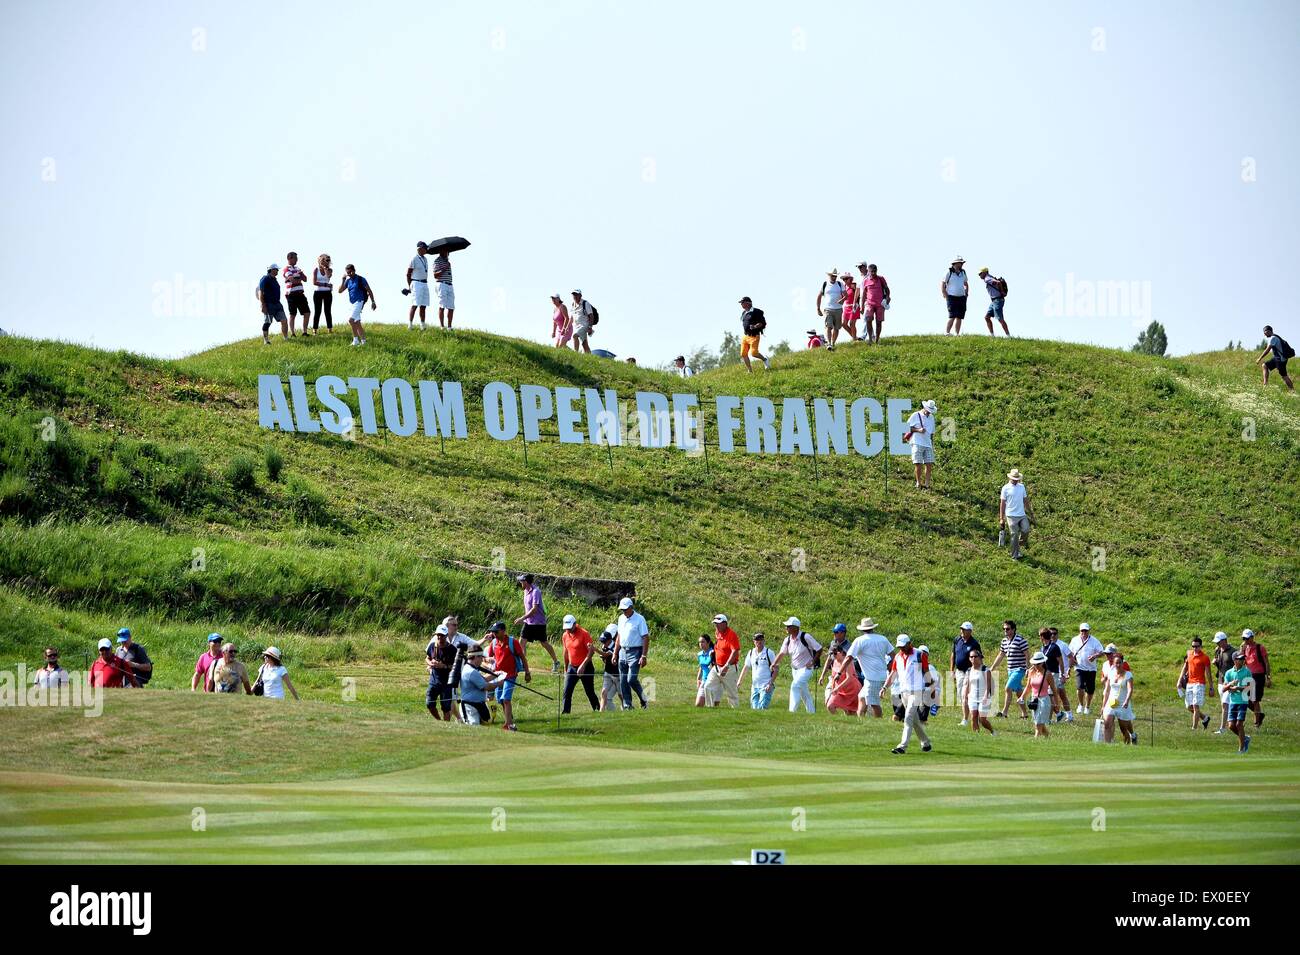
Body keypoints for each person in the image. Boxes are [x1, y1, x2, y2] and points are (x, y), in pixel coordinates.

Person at [883, 635, 932, 754]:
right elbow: (893, 674)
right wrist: (884, 687)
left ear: (909, 643)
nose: (902, 649)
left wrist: (931, 687)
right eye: (899, 646)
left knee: (908, 717)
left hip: (917, 692)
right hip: (903, 692)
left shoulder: (920, 654)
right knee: (914, 720)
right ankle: (926, 742)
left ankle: (902, 746)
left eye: (903, 646)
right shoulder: (898, 657)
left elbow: (926, 671)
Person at [772, 617, 822, 713]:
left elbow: (819, 649)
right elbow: (782, 653)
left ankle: (792, 712)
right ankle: (811, 712)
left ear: (795, 627)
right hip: (794, 670)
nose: (786, 628)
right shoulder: (787, 640)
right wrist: (774, 663)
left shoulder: (805, 637)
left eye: (788, 626)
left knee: (795, 686)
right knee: (804, 693)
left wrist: (813, 661)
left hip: (806, 669)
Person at [485, 621, 529, 731]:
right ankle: (509, 719)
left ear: (503, 631)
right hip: (498, 676)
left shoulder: (512, 642)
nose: (494, 634)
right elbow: (487, 658)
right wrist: (488, 660)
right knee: (500, 700)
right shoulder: (494, 643)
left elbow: (522, 657)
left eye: (496, 631)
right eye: (493, 632)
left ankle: (508, 724)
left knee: (506, 699)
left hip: (510, 675)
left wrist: (527, 673)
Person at [846, 618, 892, 717]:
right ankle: (860, 719)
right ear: (873, 628)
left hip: (873, 678)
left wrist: (840, 672)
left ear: (862, 629)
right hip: (876, 676)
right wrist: (892, 668)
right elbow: (893, 655)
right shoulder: (883, 639)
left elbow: (849, 657)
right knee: (862, 697)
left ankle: (879, 721)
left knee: (874, 703)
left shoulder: (860, 640)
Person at [513, 574, 560, 672]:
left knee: (544, 643)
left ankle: (556, 662)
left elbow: (534, 609)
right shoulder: (525, 591)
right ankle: (523, 665)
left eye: (521, 581)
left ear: (526, 582)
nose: (520, 582)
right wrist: (525, 619)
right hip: (528, 622)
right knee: (522, 642)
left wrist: (522, 618)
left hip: (538, 623)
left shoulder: (536, 592)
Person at [613, 597, 650, 710]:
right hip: (622, 651)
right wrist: (615, 653)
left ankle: (644, 699)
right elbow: (619, 637)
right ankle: (627, 705)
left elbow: (645, 637)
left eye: (625, 609)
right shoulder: (620, 619)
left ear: (631, 607)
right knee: (623, 680)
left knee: (631, 679)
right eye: (622, 609)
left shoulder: (639, 619)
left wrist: (643, 656)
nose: (623, 611)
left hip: (636, 651)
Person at [988, 620, 1029, 718]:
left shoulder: (1020, 640)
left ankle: (1004, 713)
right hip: (1010, 670)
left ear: (1013, 629)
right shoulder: (1004, 641)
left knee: (1008, 688)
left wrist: (1028, 668)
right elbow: (1001, 654)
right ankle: (1025, 714)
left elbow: (1027, 654)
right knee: (1019, 692)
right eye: (1004, 629)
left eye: (1007, 629)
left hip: (1019, 669)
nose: (1005, 630)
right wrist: (992, 668)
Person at [561, 614, 599, 714]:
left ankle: (598, 710)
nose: (568, 630)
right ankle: (565, 713)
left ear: (574, 624)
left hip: (586, 667)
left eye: (569, 628)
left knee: (589, 691)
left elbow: (591, 651)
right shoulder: (565, 635)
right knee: (567, 691)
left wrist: (583, 665)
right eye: (566, 628)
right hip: (572, 667)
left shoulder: (584, 633)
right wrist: (566, 668)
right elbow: (565, 653)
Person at [1099, 647, 1136, 744]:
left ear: (1123, 663)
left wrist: (1127, 701)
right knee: (1107, 723)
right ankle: (1107, 745)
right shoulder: (1111, 673)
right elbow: (1107, 690)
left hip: (1123, 704)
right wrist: (1103, 706)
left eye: (1120, 662)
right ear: (1114, 663)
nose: (1118, 665)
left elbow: (1130, 689)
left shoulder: (1128, 675)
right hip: (1111, 703)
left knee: (1124, 728)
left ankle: (1132, 738)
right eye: (1116, 663)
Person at [703, 613, 741, 707]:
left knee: (732, 694)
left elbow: (735, 651)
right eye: (715, 623)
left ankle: (736, 713)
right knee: (707, 687)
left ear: (725, 623)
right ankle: (710, 709)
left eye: (718, 623)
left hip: (730, 668)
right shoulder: (717, 633)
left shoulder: (731, 635)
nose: (716, 625)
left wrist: (726, 666)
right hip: (717, 667)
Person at [1220, 651, 1254, 754]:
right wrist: (1230, 684)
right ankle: (1245, 738)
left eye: (1243, 658)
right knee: (1231, 726)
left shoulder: (1247, 672)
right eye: (1240, 659)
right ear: (1235, 660)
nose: (1243, 660)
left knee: (1239, 724)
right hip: (1233, 702)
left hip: (1243, 701)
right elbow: (1224, 689)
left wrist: (1238, 688)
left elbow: (1250, 687)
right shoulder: (1229, 673)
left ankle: (1241, 749)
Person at [458, 648, 503, 725]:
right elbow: (486, 687)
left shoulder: (471, 669)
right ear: (476, 657)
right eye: (481, 657)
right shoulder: (471, 671)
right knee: (473, 729)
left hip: (478, 705)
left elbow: (483, 679)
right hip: (470, 707)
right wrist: (500, 683)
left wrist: (496, 674)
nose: (482, 660)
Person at [1177, 637, 1213, 730]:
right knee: (1189, 707)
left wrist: (1211, 687)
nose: (1194, 648)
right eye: (1193, 646)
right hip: (1190, 683)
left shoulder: (1205, 658)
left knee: (1195, 706)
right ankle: (1205, 718)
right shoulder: (1189, 654)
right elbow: (1184, 668)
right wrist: (1179, 681)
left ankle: (1194, 728)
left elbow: (1208, 674)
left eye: (1196, 646)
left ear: (1201, 646)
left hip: (1199, 683)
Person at [1020, 651, 1058, 738]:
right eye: (1034, 664)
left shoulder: (1048, 674)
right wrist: (1022, 697)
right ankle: (1047, 738)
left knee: (1038, 723)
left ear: (1043, 663)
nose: (1036, 666)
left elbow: (1054, 691)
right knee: (1039, 722)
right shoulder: (1031, 672)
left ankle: (1035, 741)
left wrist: (1056, 704)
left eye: (1038, 664)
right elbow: (1028, 687)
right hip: (1034, 700)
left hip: (1044, 700)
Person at [1069, 622, 1105, 714]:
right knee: (1079, 686)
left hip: (1091, 669)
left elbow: (1102, 652)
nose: (1084, 632)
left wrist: (1095, 656)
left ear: (1089, 631)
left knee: (1090, 689)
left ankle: (1087, 706)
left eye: (1086, 630)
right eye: (1082, 630)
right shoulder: (1074, 640)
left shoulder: (1094, 641)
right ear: (1079, 631)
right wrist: (1072, 660)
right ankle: (1080, 705)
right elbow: (1070, 652)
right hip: (1079, 667)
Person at [999, 468, 1034, 560]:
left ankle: (1017, 546)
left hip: (1021, 514)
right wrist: (1001, 518)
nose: (1015, 481)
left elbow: (1025, 500)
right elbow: (1002, 503)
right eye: (1014, 479)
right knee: (1014, 534)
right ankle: (1014, 555)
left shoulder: (1021, 487)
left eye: (1017, 479)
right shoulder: (1005, 488)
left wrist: (1030, 512)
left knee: (1026, 530)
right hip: (1011, 515)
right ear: (1010, 478)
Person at [950, 622, 981, 725]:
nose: (962, 631)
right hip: (959, 671)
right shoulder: (957, 639)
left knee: (965, 695)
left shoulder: (974, 643)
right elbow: (953, 655)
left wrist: (977, 672)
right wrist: (951, 670)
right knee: (961, 694)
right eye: (961, 629)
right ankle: (970, 717)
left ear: (970, 631)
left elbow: (979, 659)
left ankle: (965, 719)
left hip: (969, 671)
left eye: (964, 629)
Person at [425, 624, 458, 720]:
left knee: (446, 708)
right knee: (429, 704)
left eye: (442, 635)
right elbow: (427, 658)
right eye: (438, 635)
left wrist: (443, 666)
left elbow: (456, 667)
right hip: (434, 681)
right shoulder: (432, 646)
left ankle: (445, 726)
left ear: (446, 635)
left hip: (446, 683)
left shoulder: (452, 649)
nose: (439, 637)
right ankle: (439, 722)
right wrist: (430, 663)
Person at [1238, 629, 1270, 727]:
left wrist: (1268, 677)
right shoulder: (1244, 648)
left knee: (1255, 700)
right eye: (1244, 638)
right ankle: (1259, 715)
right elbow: (1240, 662)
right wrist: (1241, 650)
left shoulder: (1260, 648)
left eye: (1247, 638)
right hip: (1248, 676)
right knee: (1244, 697)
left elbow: (1266, 663)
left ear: (1252, 638)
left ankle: (1257, 721)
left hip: (1258, 676)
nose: (1245, 640)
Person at [338, 264, 375, 347]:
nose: (349, 274)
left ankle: (355, 340)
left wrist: (373, 302)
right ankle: (364, 342)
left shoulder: (361, 279)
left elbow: (369, 290)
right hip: (352, 304)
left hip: (359, 301)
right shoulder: (348, 281)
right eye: (348, 273)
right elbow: (340, 291)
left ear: (354, 270)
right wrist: (343, 280)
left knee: (351, 320)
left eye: (351, 272)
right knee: (357, 323)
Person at [739, 633, 777, 709]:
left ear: (764, 641)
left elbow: (776, 669)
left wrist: (770, 683)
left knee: (762, 708)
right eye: (757, 640)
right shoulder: (751, 653)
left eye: (761, 640)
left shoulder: (769, 653)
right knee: (754, 709)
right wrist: (739, 681)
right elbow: (746, 667)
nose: (759, 642)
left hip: (766, 685)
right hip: (755, 686)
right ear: (754, 641)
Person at [905, 399, 937, 490]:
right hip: (917, 442)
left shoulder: (931, 418)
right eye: (928, 411)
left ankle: (927, 484)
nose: (929, 413)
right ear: (924, 407)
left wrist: (932, 444)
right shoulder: (916, 415)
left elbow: (932, 433)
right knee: (918, 463)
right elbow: (906, 427)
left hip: (928, 443)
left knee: (929, 464)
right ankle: (918, 483)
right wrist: (918, 430)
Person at [1036, 628, 1067, 722]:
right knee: (1047, 696)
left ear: (1042, 636)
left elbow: (1060, 662)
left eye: (1039, 636)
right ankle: (1058, 714)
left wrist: (1062, 675)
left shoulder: (1054, 647)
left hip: (1054, 674)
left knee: (1050, 696)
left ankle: (1048, 719)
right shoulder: (1043, 647)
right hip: (1045, 674)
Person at [857, 262, 890, 344]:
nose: (873, 273)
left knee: (878, 322)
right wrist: (862, 306)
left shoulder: (881, 279)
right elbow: (864, 294)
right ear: (869, 271)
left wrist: (887, 297)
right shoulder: (865, 281)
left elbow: (887, 289)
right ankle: (870, 340)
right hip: (869, 304)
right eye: (871, 271)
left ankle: (877, 339)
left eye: (874, 271)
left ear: (877, 271)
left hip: (880, 304)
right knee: (868, 319)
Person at [825, 643, 862, 715]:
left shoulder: (847, 661)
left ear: (841, 652)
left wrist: (837, 688)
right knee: (830, 706)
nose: (833, 656)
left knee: (850, 713)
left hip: (852, 690)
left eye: (835, 653)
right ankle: (838, 720)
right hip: (840, 690)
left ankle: (845, 724)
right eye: (831, 654)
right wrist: (833, 688)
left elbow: (849, 678)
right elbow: (833, 677)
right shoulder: (834, 661)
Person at [965, 649, 996, 734]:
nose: (973, 658)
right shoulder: (968, 670)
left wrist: (986, 696)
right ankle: (976, 736)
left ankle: (992, 731)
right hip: (972, 697)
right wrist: (965, 695)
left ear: (979, 657)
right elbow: (968, 684)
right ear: (969, 659)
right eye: (971, 657)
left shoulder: (985, 670)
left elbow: (988, 685)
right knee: (973, 717)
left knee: (982, 719)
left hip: (983, 697)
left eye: (975, 656)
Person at [1256, 325, 1295, 392]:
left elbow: (1267, 350)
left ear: (1268, 331)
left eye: (1265, 333)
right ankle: (1265, 385)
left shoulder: (1273, 338)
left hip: (1280, 360)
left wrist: (1260, 358)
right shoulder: (1276, 336)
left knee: (1284, 376)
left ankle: (1292, 391)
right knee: (1264, 365)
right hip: (1278, 358)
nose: (1265, 335)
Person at [281, 252, 311, 336]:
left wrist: (298, 276)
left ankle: (304, 332)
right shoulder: (286, 269)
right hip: (291, 294)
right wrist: (297, 277)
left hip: (300, 293)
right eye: (295, 258)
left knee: (307, 312)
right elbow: (292, 280)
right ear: (289, 259)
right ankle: (293, 333)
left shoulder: (297, 268)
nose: (297, 260)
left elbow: (305, 279)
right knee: (293, 314)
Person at [1211, 631, 1235, 734]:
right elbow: (1220, 665)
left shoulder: (1233, 652)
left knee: (1225, 704)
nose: (1217, 644)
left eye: (1219, 642)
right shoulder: (1218, 650)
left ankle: (1223, 728)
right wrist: (1215, 662)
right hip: (1220, 681)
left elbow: (1238, 667)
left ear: (1224, 641)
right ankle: (1233, 724)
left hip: (1229, 683)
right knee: (1225, 705)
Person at [816, 268, 846, 350]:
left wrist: (842, 300)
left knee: (837, 328)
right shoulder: (825, 284)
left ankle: (833, 343)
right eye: (832, 276)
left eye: (835, 276)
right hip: (828, 309)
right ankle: (829, 343)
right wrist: (818, 308)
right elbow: (819, 296)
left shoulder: (840, 284)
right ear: (829, 275)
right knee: (828, 326)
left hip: (838, 309)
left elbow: (845, 295)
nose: (834, 277)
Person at [257, 264, 288, 344]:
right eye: (276, 269)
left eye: (277, 270)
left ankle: (286, 338)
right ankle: (266, 340)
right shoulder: (265, 278)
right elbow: (261, 291)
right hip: (268, 304)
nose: (277, 271)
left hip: (277, 304)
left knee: (284, 320)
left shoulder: (275, 280)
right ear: (271, 270)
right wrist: (262, 305)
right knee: (268, 322)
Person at [739, 296, 770, 372]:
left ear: (748, 303)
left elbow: (763, 323)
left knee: (754, 353)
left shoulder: (757, 311)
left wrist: (755, 326)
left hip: (754, 336)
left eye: (742, 303)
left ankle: (765, 359)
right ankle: (750, 371)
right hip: (745, 336)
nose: (741, 304)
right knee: (743, 353)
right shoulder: (744, 313)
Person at [977, 267, 1010, 336]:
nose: (979, 275)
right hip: (994, 301)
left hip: (997, 300)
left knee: (1000, 319)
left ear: (985, 272)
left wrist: (1001, 291)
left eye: (980, 273)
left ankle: (1008, 336)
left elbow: (998, 283)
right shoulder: (989, 277)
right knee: (987, 317)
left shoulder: (987, 279)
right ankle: (992, 335)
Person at [1050, 627, 1074, 722]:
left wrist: (1066, 672)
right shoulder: (1047, 645)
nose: (1052, 635)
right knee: (1054, 695)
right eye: (1050, 633)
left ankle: (1066, 715)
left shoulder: (1062, 645)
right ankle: (1061, 714)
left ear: (1057, 634)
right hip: (1049, 674)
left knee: (1058, 695)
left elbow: (1071, 658)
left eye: (1054, 633)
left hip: (1060, 674)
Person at [942, 256, 969, 334]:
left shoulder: (963, 272)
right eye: (960, 263)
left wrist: (966, 293)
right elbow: (943, 283)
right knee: (952, 316)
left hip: (961, 297)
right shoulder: (948, 272)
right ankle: (947, 332)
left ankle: (957, 334)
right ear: (955, 263)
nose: (962, 264)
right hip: (951, 297)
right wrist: (945, 294)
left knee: (960, 316)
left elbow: (966, 283)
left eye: (962, 263)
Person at [406, 241, 430, 329]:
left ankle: (422, 325)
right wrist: (410, 286)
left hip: (424, 283)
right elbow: (408, 274)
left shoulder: (425, 259)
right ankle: (410, 324)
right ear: (420, 249)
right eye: (425, 248)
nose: (426, 250)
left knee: (423, 305)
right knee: (415, 304)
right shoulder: (414, 259)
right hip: (416, 283)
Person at [596, 627, 620, 711]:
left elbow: (606, 654)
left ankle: (625, 708)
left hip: (617, 674)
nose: (603, 643)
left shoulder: (615, 646)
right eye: (601, 641)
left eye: (604, 641)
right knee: (603, 692)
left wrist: (594, 649)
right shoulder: (604, 646)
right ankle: (601, 711)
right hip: (608, 672)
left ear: (610, 640)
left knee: (621, 694)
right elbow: (605, 658)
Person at [312, 253, 334, 333]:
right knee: (317, 311)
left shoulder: (329, 270)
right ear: (321, 261)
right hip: (318, 293)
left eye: (328, 260)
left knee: (327, 311)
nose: (328, 262)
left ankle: (330, 329)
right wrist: (325, 284)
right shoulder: (316, 270)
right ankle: (315, 330)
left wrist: (325, 268)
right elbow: (314, 282)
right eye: (326, 260)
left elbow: (328, 276)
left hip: (327, 293)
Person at [433, 248, 454, 328]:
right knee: (442, 306)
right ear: (441, 251)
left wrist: (447, 264)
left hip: (449, 285)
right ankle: (442, 326)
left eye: (448, 251)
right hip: (441, 284)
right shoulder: (437, 261)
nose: (447, 253)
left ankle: (449, 327)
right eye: (446, 251)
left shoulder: (447, 262)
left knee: (451, 307)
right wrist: (445, 268)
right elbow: (435, 275)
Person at [694, 634, 715, 707]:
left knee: (711, 704)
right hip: (704, 680)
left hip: (712, 680)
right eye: (699, 642)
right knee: (698, 704)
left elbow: (714, 667)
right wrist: (698, 679)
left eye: (703, 642)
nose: (701, 644)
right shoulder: (699, 654)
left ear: (708, 642)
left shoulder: (712, 653)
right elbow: (701, 667)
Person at [840, 270, 859, 343]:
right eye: (843, 279)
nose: (844, 280)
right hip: (846, 307)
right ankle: (855, 337)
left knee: (852, 323)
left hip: (854, 306)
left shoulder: (854, 286)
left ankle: (854, 340)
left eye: (846, 278)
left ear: (850, 279)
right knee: (844, 324)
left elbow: (859, 294)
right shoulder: (844, 287)